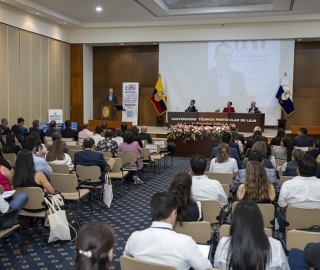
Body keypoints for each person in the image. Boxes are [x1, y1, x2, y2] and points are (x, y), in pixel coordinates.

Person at [124, 192, 212, 270]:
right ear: (174, 213)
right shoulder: (186, 243)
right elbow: (207, 268)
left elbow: (127, 261)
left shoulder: (134, 238)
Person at [214, 200, 289, 270]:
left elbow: (216, 267)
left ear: (235, 222)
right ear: (259, 221)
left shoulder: (223, 243)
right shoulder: (276, 246)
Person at [277, 155, 320, 233]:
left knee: (280, 215)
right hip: (317, 226)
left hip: (292, 226)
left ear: (297, 169)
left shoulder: (287, 185)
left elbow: (282, 207)